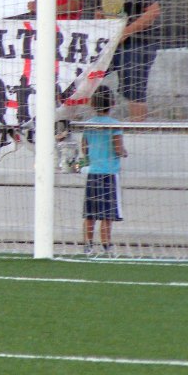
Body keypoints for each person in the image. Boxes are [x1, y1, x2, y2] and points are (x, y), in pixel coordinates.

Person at [81, 0, 161, 122]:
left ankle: (138, 132)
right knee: (85, 78)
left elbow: (153, 11)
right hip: (112, 43)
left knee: (134, 92)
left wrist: (126, 32)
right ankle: (98, 122)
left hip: (138, 43)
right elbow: (103, 11)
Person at [80, 84, 128, 256]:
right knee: (107, 213)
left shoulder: (88, 124)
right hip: (109, 173)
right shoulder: (115, 125)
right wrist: (124, 152)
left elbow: (84, 148)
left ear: (92, 104)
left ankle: (88, 245)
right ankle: (106, 245)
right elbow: (118, 148)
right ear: (113, 103)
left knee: (90, 213)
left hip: (93, 172)